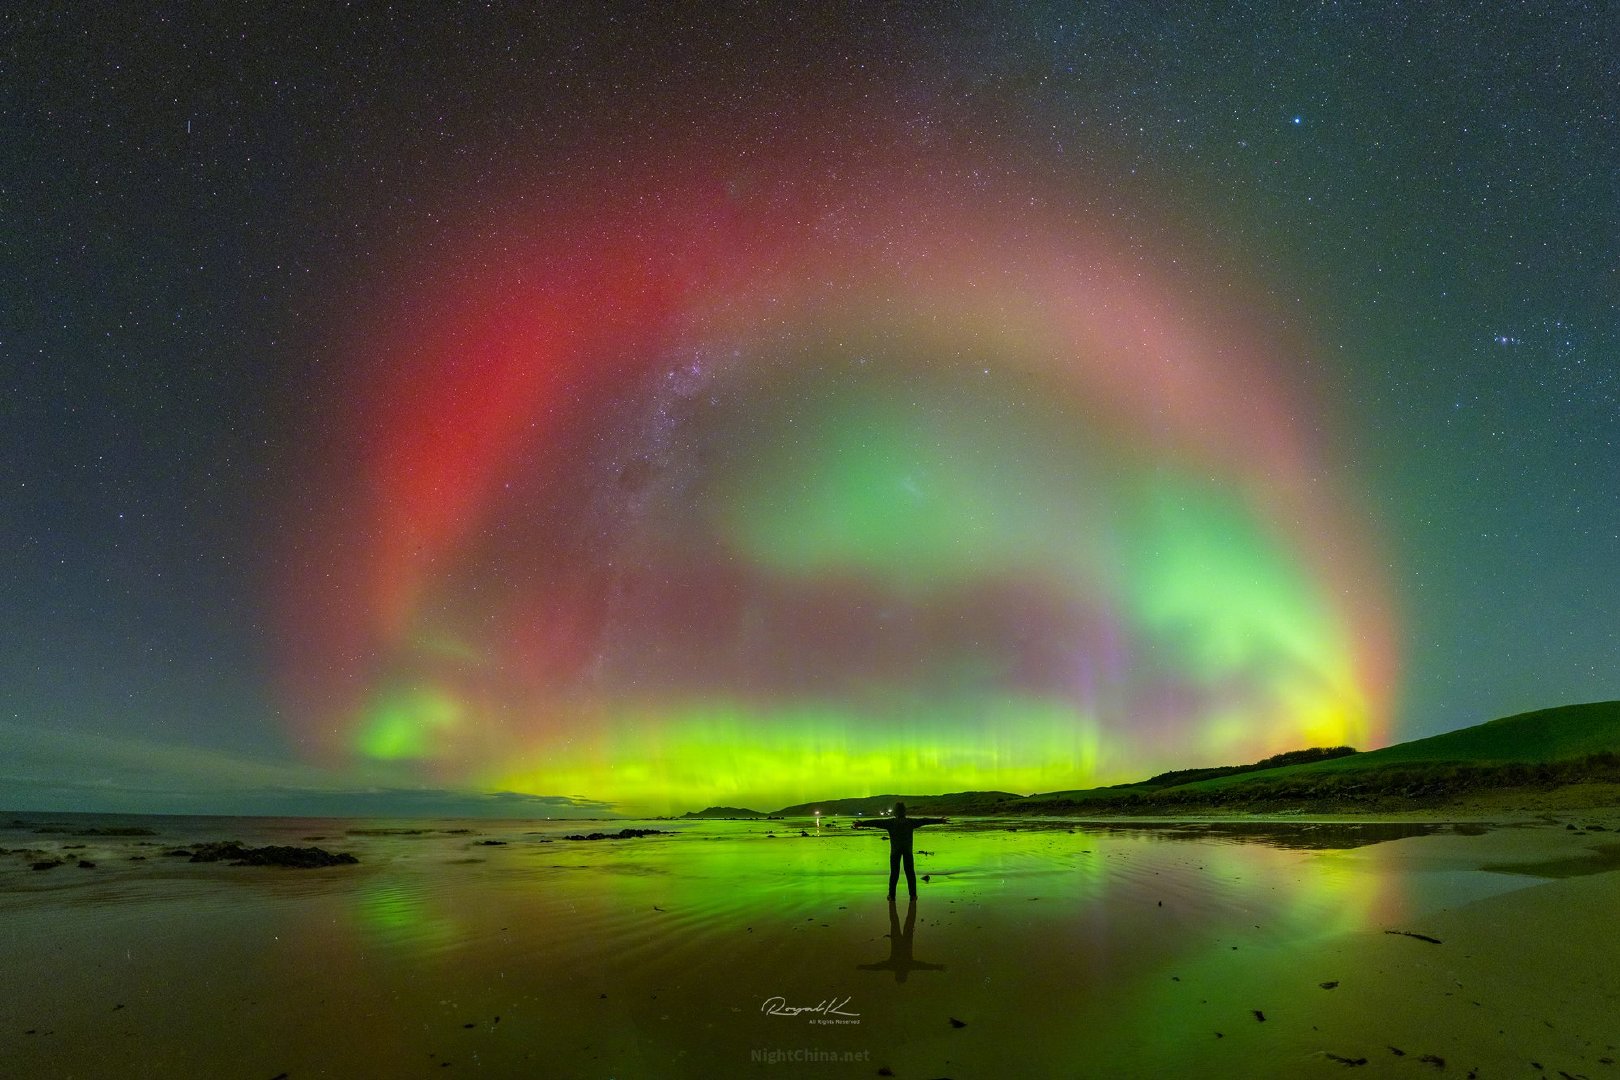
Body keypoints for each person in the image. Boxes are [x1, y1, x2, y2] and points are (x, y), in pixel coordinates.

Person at [852, 802, 947, 900]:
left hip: (895, 851)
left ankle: (892, 896)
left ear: (895, 812)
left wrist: (861, 823)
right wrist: (940, 820)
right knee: (910, 873)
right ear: (904, 812)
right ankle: (913, 896)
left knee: (894, 874)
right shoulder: (910, 822)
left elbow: (875, 822)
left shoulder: (890, 823)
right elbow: (924, 821)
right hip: (907, 851)